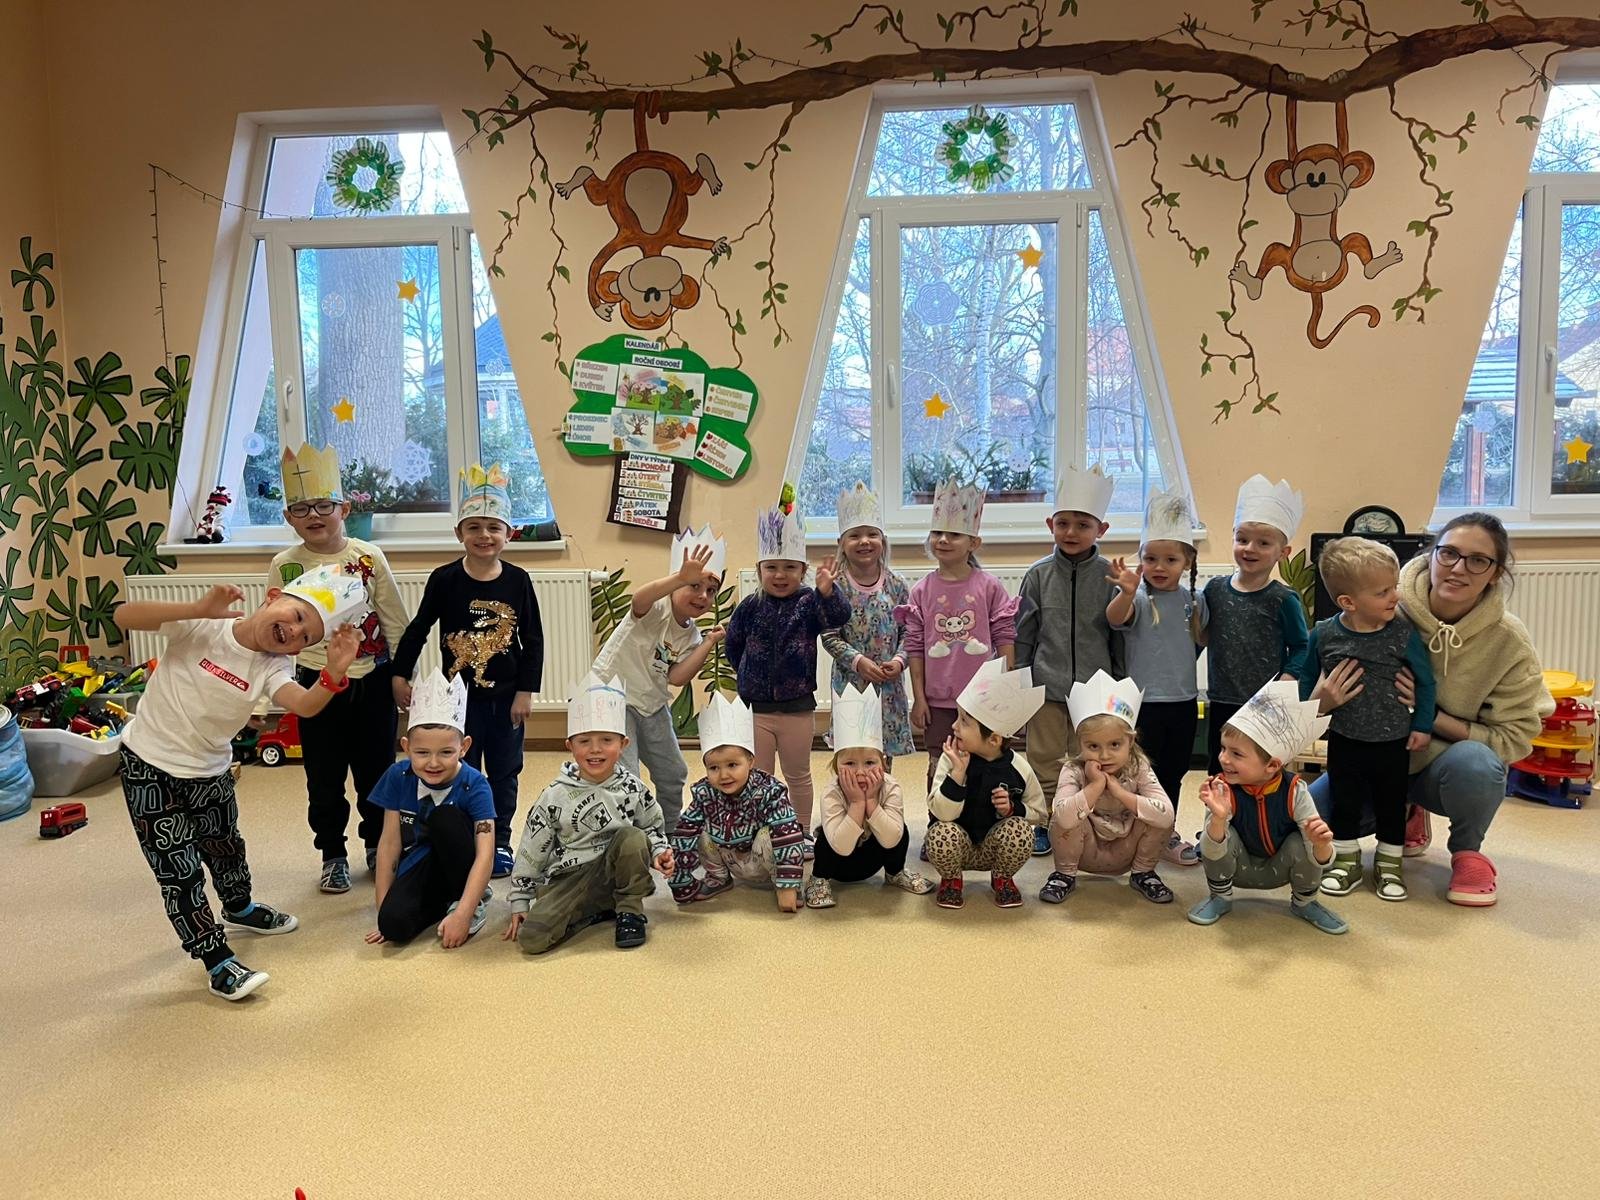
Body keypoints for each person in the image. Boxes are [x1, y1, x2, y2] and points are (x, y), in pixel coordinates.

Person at [113, 567, 364, 1000]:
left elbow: (304, 706)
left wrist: (333, 674)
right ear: (273, 597)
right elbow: (124, 616)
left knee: (226, 846)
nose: (295, 632)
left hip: (210, 770)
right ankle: (215, 958)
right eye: (297, 616)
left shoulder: (274, 664)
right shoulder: (203, 624)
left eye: (307, 636)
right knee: (180, 871)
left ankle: (239, 907)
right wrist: (196, 608)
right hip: (148, 766)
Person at [1309, 513, 1553, 907]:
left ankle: (1468, 853)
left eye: (1478, 560)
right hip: (1367, 754)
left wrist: (1429, 716)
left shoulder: (1509, 642)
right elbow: (1318, 677)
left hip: (1446, 765)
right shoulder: (1382, 605)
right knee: (1306, 823)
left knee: (1478, 765)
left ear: (1495, 573)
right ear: (1431, 555)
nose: (1458, 568)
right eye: (1449, 553)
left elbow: (1515, 737)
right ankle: (1406, 814)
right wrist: (1321, 701)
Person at [268, 442, 410, 893]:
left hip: (373, 678)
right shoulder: (285, 565)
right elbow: (275, 630)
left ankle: (378, 845)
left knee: (377, 770)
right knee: (323, 775)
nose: (314, 515)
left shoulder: (369, 557)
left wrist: (402, 676)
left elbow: (395, 621)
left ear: (344, 508)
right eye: (301, 508)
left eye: (324, 505)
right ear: (289, 517)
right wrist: (274, 684)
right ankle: (332, 852)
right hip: (317, 682)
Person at [392, 464, 543, 879]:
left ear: (508, 534)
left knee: (505, 772)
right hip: (457, 700)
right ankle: (463, 840)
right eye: (474, 527)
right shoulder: (444, 579)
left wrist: (526, 691)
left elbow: (533, 639)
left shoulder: (518, 580)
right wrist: (400, 674)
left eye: (494, 527)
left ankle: (501, 841)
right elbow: (419, 628)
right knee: (461, 771)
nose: (484, 535)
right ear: (459, 533)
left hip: (506, 698)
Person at [1298, 537, 1435, 902]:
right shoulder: (1324, 634)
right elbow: (1306, 682)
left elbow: (1425, 681)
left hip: (1394, 742)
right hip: (1345, 740)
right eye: (1383, 592)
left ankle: (1390, 865)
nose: (1395, 597)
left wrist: (1422, 725)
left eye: (1395, 587)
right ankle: (1346, 863)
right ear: (1348, 602)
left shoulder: (1402, 633)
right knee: (1344, 802)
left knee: (1392, 804)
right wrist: (1311, 711)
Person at [504, 673, 674, 952]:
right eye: (584, 741)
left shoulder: (632, 787)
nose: (595, 749)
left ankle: (629, 909)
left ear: (623, 745)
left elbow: (651, 826)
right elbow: (532, 847)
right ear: (570, 746)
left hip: (615, 868)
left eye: (606, 740)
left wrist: (658, 851)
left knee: (632, 836)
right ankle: (596, 909)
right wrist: (520, 897)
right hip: (571, 877)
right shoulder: (554, 796)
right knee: (532, 939)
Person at [725, 491, 850, 857]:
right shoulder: (750, 606)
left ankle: (801, 832)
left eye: (790, 568)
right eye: (772, 568)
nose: (780, 575)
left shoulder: (810, 602)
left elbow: (839, 617)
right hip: (757, 709)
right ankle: (761, 831)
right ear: (760, 570)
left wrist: (828, 593)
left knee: (798, 773)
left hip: (797, 707)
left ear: (802, 570)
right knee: (759, 777)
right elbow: (734, 645)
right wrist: (748, 677)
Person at [591, 526, 726, 834]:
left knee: (673, 772)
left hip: (651, 703)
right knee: (625, 774)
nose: (703, 595)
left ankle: (668, 831)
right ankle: (630, 837)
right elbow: (639, 599)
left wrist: (707, 643)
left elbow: (677, 677)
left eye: (711, 591)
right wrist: (679, 578)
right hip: (614, 695)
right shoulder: (657, 605)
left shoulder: (692, 635)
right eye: (694, 585)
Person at [1016, 463, 1120, 857]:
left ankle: (1086, 819)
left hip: (1095, 690)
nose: (1071, 532)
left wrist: (1118, 685)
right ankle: (1043, 821)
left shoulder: (1110, 576)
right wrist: (1022, 683)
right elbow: (1024, 634)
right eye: (1063, 523)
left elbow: (1119, 636)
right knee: (1043, 759)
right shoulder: (1038, 576)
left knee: (1092, 758)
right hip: (1046, 685)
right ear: (1050, 525)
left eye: (1082, 524)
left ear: (1101, 529)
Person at [1186, 680, 1347, 935]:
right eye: (1223, 748)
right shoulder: (1221, 789)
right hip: (1236, 869)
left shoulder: (1295, 791)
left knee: (1302, 840)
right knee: (1221, 834)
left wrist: (1321, 845)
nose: (1223, 758)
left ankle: (1305, 903)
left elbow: (1323, 858)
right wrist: (1218, 819)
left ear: (1272, 766)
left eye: (1236, 754)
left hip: (1281, 869)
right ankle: (1220, 898)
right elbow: (1210, 852)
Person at [899, 477, 1020, 794]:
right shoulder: (921, 591)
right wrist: (919, 698)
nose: (943, 539)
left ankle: (980, 819)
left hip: (983, 698)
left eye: (953, 534)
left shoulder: (989, 586)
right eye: (937, 533)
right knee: (940, 762)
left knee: (984, 762)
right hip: (939, 700)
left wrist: (1005, 689)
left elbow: (1005, 637)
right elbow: (915, 648)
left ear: (973, 543)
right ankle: (939, 819)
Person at [1107, 486, 1206, 866]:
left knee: (1173, 772)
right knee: (1137, 773)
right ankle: (1133, 833)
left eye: (1170, 559)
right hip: (1142, 704)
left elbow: (1200, 639)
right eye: (1150, 558)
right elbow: (1115, 619)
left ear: (1188, 561)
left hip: (1183, 702)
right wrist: (1126, 592)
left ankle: (1165, 833)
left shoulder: (1195, 600)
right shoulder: (1137, 598)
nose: (1160, 567)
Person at [365, 670, 495, 948]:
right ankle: (444, 903)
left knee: (444, 818)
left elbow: (486, 853)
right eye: (422, 753)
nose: (433, 763)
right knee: (392, 926)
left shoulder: (475, 784)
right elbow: (389, 843)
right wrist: (383, 909)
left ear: (464, 747)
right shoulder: (398, 776)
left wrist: (464, 914)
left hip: (460, 861)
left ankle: (470, 900)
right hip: (421, 863)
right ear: (406, 747)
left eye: (446, 752)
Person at [1039, 671, 1177, 907]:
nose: (1104, 755)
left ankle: (1143, 873)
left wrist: (1120, 793)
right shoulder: (1073, 769)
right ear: (1079, 743)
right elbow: (1062, 817)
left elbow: (1167, 815)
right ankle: (1064, 875)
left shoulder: (1139, 767)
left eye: (1115, 744)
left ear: (1130, 741)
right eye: (1093, 746)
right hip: (1084, 850)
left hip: (1128, 850)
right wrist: (1095, 786)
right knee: (1065, 813)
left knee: (1156, 814)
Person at [1201, 475, 1310, 773]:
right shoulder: (1215, 590)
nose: (1250, 548)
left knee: (1259, 771)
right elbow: (1202, 637)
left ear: (1283, 553)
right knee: (1222, 768)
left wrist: (1289, 677)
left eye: (1263, 543)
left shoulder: (1282, 599)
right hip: (1222, 698)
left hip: (1265, 703)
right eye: (1242, 539)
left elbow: (1301, 646)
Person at [926, 660, 1048, 910]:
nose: (954, 726)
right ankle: (951, 880)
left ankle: (1002, 878)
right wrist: (957, 774)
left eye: (964, 722)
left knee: (1021, 831)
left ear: (993, 739)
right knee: (939, 833)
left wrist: (1012, 809)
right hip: (958, 844)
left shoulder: (1019, 767)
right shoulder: (950, 760)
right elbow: (941, 814)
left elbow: (1039, 814)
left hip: (995, 846)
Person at [668, 693, 805, 912]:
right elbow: (684, 833)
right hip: (728, 857)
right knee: (697, 828)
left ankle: (781, 883)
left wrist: (788, 885)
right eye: (714, 768)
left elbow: (788, 835)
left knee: (771, 834)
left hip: (762, 862)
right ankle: (719, 878)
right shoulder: (704, 793)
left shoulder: (769, 791)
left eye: (732, 765)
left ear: (750, 761)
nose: (723, 775)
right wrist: (681, 881)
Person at [803, 684, 935, 908]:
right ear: (836, 766)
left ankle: (895, 873)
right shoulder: (832, 792)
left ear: (883, 764)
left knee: (899, 828)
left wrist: (872, 803)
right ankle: (818, 879)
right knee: (825, 836)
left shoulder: (891, 787)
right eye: (849, 763)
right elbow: (841, 847)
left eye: (870, 763)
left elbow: (892, 839)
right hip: (839, 865)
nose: (860, 772)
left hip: (875, 859)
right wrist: (856, 804)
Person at [821, 482, 914, 765]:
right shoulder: (835, 586)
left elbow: (910, 632)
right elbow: (829, 635)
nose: (864, 541)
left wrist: (899, 661)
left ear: (882, 540)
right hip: (851, 682)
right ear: (841, 543)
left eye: (872, 534)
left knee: (881, 758)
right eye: (855, 536)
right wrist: (858, 661)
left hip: (888, 685)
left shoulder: (897, 585)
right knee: (851, 754)